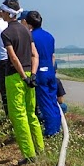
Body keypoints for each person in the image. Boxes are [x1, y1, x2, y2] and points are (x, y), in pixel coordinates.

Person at [1, 7, 44, 163]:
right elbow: (35, 55)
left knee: (19, 116)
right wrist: (32, 75)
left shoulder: (6, 33)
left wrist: (21, 76)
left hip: (15, 78)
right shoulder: (27, 31)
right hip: (29, 76)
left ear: (8, 13)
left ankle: (29, 155)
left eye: (2, 11)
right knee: (31, 114)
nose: (0, 14)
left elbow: (13, 58)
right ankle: (40, 149)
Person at [24, 10, 61, 139]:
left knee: (45, 103)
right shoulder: (49, 36)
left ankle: (51, 132)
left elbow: (32, 55)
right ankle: (57, 128)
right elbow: (52, 56)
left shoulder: (30, 36)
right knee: (53, 102)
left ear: (28, 23)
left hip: (40, 72)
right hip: (50, 71)